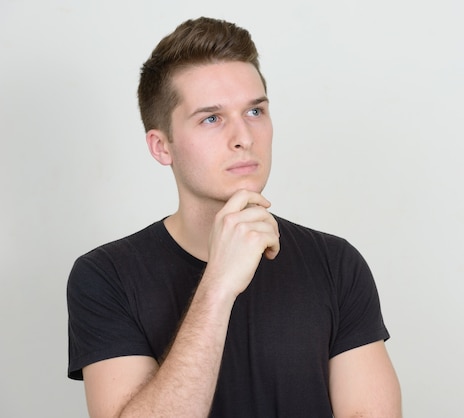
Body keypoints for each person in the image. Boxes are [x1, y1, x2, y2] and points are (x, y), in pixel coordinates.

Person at [67, 17, 402, 418]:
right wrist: (218, 287)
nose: (244, 136)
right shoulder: (105, 277)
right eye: (212, 118)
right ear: (161, 147)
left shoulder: (336, 264)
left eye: (255, 111)